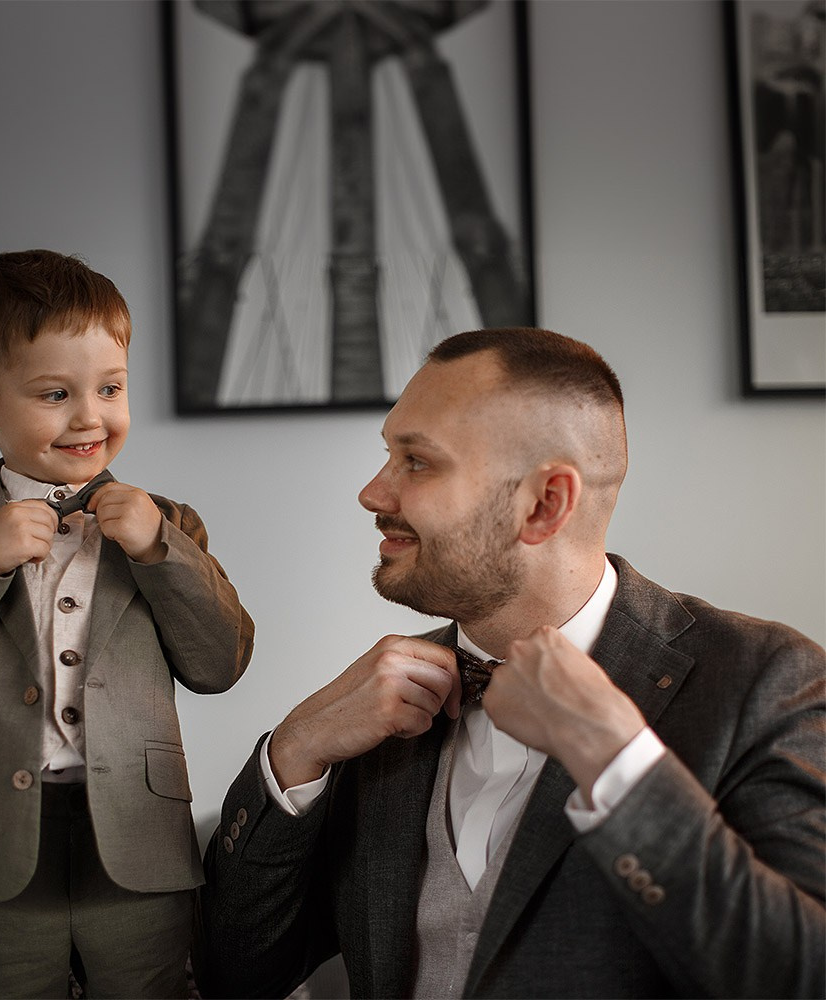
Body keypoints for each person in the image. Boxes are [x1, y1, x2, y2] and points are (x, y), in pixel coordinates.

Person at [198, 327, 825, 999]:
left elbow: (801, 975)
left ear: (544, 504)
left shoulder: (763, 678)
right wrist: (297, 749)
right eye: (389, 455)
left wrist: (616, 759)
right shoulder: (372, 710)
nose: (373, 494)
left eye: (417, 462)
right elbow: (235, 974)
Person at [0, 249, 255, 999]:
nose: (90, 417)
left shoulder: (170, 525)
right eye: (54, 394)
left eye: (110, 388)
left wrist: (158, 549)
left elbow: (220, 663)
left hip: (134, 838)